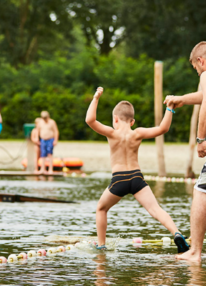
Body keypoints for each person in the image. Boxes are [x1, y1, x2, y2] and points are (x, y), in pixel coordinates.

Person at [85, 87, 189, 252]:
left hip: (119, 179)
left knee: (101, 208)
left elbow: (90, 120)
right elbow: (163, 128)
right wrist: (169, 108)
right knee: (155, 209)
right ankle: (176, 233)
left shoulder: (112, 133)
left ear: (115, 119)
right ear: (132, 122)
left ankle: (101, 245)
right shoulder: (137, 133)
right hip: (136, 178)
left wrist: (96, 98)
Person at [164, 41, 206, 262]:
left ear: (201, 61)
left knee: (201, 191)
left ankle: (196, 252)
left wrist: (201, 139)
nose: (197, 72)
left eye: (196, 68)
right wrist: (182, 99)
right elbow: (201, 97)